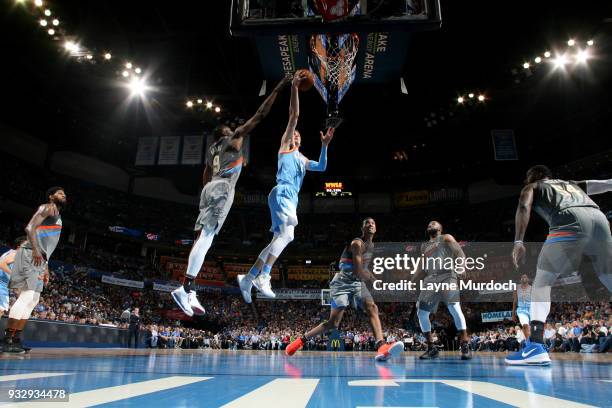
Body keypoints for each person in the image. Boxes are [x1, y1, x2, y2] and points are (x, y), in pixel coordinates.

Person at [172, 76, 292, 316]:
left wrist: (211, 189)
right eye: (231, 128)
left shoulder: (212, 150)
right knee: (206, 238)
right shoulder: (233, 138)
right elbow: (260, 115)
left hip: (208, 190)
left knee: (201, 238)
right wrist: (278, 88)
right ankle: (185, 288)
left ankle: (190, 289)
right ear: (225, 133)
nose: (235, 130)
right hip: (222, 188)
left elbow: (205, 173)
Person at [238, 71, 335, 302]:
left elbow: (321, 167)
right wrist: (293, 87)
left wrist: (325, 146)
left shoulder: (302, 159)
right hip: (282, 192)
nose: (297, 134)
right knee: (288, 234)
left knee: (278, 239)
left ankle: (249, 277)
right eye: (295, 133)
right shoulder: (286, 146)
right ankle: (264, 276)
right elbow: (294, 115)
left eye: (299, 134)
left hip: (287, 197)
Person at [507, 165, 612, 365]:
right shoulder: (571, 184)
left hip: (569, 221)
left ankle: (536, 346)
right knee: (608, 276)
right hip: (600, 219)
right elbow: (606, 185)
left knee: (542, 282)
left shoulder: (533, 187)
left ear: (534, 177)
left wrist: (518, 241)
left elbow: (523, 207)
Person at [285, 218, 404, 361]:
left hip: (357, 283)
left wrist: (376, 279)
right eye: (367, 223)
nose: (371, 224)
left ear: (376, 228)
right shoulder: (357, 243)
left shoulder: (372, 246)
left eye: (373, 223)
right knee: (333, 323)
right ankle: (300, 341)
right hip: (342, 283)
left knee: (372, 307)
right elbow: (359, 270)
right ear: (362, 228)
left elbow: (363, 271)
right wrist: (377, 282)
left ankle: (381, 346)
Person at [2, 187, 66, 354]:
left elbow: (47, 244)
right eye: (59, 193)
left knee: (33, 300)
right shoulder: (47, 207)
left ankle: (16, 339)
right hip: (31, 253)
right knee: (27, 296)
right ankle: (6, 339)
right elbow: (29, 228)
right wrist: (36, 251)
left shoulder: (58, 216)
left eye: (64, 193)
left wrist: (46, 266)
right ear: (51, 196)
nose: (63, 195)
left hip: (40, 259)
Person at [412, 221, 472, 360]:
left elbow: (460, 253)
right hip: (430, 279)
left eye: (434, 223)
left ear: (440, 228)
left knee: (455, 308)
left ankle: (464, 344)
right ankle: (431, 348)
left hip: (447, 275)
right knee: (421, 312)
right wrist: (412, 279)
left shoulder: (446, 238)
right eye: (429, 224)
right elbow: (422, 265)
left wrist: (462, 266)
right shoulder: (424, 246)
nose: (431, 224)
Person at [0, 237, 27, 319]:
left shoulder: (11, 253)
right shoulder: (16, 254)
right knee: (1, 310)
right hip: (1, 284)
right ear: (19, 247)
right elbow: (1, 264)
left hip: (3, 285)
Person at [512, 273, 532, 343]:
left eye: (525, 277)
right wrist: (513, 314)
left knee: (531, 327)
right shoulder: (516, 288)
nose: (524, 278)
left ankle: (529, 341)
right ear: (520, 279)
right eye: (522, 277)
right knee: (525, 324)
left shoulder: (531, 288)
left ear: (528, 279)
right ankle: (528, 343)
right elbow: (515, 301)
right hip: (521, 309)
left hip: (531, 309)